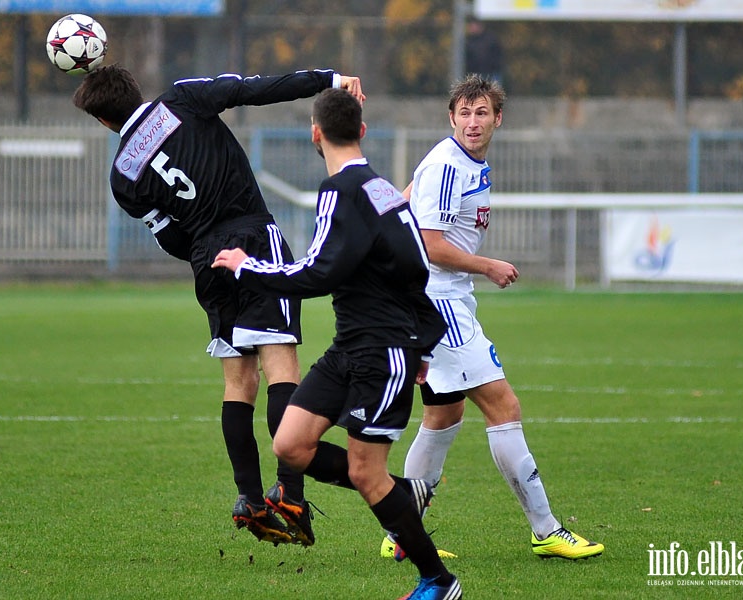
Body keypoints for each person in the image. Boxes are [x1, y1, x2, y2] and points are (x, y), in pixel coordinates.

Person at [72, 64, 365, 547]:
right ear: (136, 91)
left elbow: (169, 238)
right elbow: (257, 89)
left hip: (208, 261)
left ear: (103, 122)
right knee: (280, 368)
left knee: (238, 384)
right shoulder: (181, 100)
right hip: (252, 236)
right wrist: (327, 81)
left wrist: (208, 251)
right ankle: (290, 494)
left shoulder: (122, 175)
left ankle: (250, 498)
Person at [212, 87, 462, 600]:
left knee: (365, 474)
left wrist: (247, 267)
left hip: (380, 352)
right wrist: (425, 342)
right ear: (363, 131)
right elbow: (417, 268)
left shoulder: (340, 191)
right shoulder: (386, 190)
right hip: (354, 346)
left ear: (315, 132)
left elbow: (317, 272)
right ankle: (404, 492)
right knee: (290, 444)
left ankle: (438, 580)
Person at [380, 74, 605, 562]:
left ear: (497, 118)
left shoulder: (459, 162)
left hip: (437, 299)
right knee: (504, 407)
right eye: (464, 113)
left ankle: (400, 531)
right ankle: (546, 530)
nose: (473, 122)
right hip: (439, 304)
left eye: (481, 113)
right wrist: (490, 265)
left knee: (444, 413)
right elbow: (434, 245)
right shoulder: (447, 165)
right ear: (451, 118)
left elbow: (401, 204)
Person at [464, 18, 504, 85]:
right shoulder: (469, 40)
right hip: (476, 73)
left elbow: (497, 55)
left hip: (492, 72)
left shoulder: (491, 38)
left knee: (494, 92)